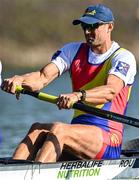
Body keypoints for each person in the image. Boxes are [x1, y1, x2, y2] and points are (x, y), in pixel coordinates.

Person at [1, 4, 137, 163]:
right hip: (78, 133)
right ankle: (12, 171)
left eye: (93, 26)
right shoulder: (72, 51)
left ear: (110, 27)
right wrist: (20, 80)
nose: (87, 31)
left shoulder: (123, 57)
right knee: (37, 129)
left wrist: (78, 95)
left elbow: (110, 91)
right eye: (85, 26)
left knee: (59, 130)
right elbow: (41, 77)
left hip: (108, 137)